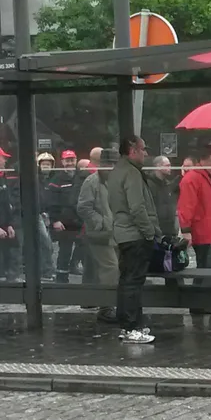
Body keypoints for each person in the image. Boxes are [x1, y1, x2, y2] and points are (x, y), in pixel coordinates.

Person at [108, 137, 161, 344]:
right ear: (132, 150)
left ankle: (129, 325)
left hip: (122, 234)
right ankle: (131, 327)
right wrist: (150, 232)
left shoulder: (116, 172)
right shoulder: (131, 173)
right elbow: (137, 207)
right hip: (135, 235)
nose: (145, 154)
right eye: (142, 149)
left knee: (126, 281)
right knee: (133, 283)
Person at [178, 145, 211, 314]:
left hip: (209, 230)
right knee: (208, 268)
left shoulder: (210, 177)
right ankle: (210, 304)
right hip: (202, 231)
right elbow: (186, 206)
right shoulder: (194, 178)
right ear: (210, 158)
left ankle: (198, 305)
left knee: (203, 268)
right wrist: (186, 229)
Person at [77, 148, 119, 323]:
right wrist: (101, 222)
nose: (112, 167)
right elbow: (83, 207)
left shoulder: (118, 180)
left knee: (107, 269)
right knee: (111, 268)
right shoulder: (91, 181)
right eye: (109, 164)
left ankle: (107, 303)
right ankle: (106, 307)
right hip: (99, 234)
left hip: (117, 233)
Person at [48, 149, 85, 283]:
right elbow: (51, 202)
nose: (70, 163)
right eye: (67, 160)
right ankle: (61, 279)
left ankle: (74, 266)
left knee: (84, 247)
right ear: (62, 162)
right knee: (64, 252)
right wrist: (55, 220)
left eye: (72, 160)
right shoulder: (56, 179)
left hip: (80, 220)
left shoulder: (81, 177)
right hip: (64, 222)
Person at [0, 147, 20, 282]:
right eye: (3, 158)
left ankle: (8, 275)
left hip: (5, 225)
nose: (5, 161)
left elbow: (6, 205)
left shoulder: (3, 178)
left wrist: (10, 225)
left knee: (10, 251)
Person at [146, 156, 179, 237]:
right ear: (158, 166)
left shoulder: (167, 185)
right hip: (155, 228)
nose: (170, 168)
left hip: (169, 229)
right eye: (167, 165)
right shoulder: (149, 185)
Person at [36, 152, 56, 281]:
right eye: (43, 164)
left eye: (48, 164)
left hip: (49, 215)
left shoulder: (55, 180)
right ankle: (46, 271)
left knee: (48, 244)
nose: (46, 167)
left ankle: (46, 269)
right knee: (45, 243)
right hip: (38, 214)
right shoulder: (36, 178)